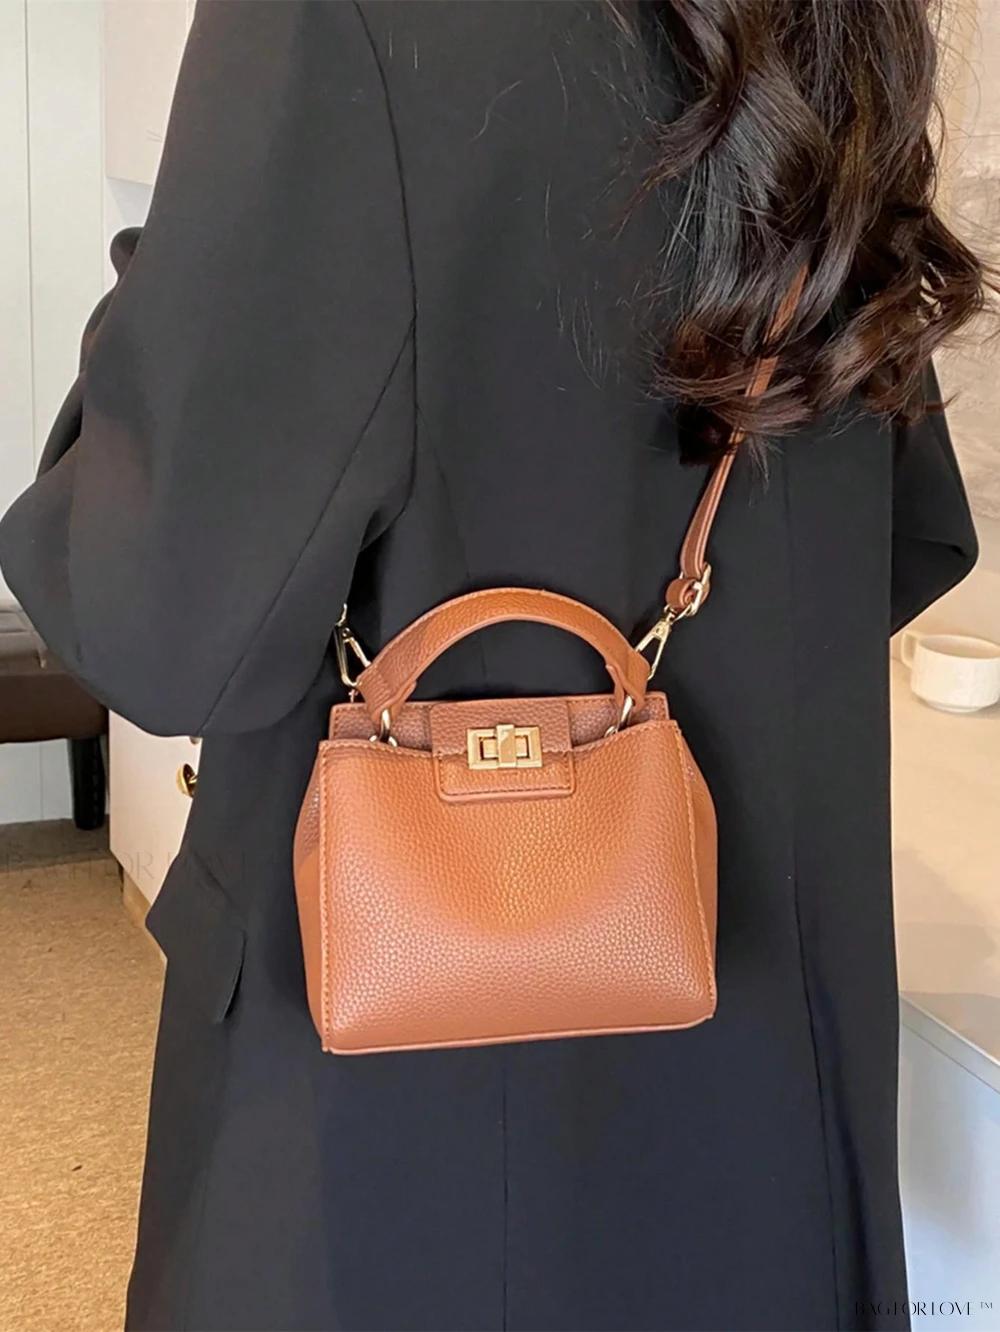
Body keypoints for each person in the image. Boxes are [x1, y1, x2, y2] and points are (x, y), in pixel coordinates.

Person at [0, 3, 986, 1329]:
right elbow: (906, 538)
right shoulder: (830, 18)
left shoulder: (337, 23)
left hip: (401, 1144)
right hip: (777, 1105)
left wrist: (160, 291)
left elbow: (156, 624)